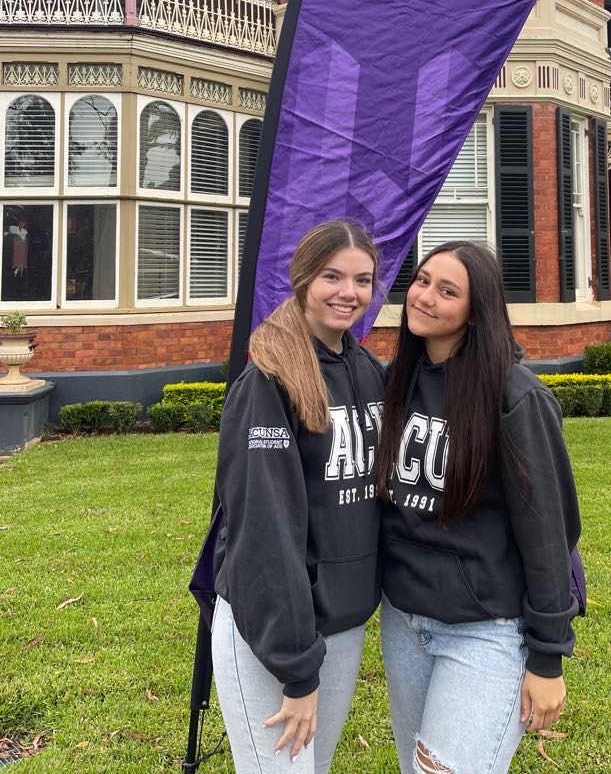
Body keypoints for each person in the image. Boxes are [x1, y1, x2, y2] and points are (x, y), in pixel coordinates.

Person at [377, 241, 581, 774]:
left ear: (476, 311)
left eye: (448, 291)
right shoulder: (398, 380)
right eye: (422, 281)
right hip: (403, 619)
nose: (425, 297)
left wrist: (547, 656)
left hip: (485, 628)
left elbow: (548, 535)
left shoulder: (515, 398)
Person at [210, 220, 384, 773]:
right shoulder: (269, 379)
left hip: (343, 622)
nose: (347, 293)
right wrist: (296, 666)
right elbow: (264, 530)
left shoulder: (368, 372)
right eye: (332, 276)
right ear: (304, 277)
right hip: (273, 633)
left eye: (362, 280)